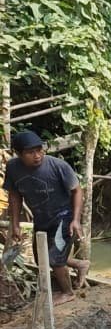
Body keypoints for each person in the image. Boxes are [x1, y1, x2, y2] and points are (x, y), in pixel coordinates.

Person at [3, 130, 90, 304]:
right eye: (30, 152)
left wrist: (75, 220)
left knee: (53, 259)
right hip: (41, 217)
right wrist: (15, 223)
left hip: (63, 216)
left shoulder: (58, 166)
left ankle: (68, 292)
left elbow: (77, 190)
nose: (37, 155)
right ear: (18, 153)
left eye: (39, 150)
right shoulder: (13, 168)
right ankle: (80, 264)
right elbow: (14, 195)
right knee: (40, 259)